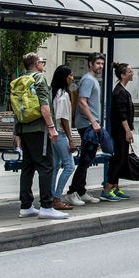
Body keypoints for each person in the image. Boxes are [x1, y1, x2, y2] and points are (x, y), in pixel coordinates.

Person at [15, 53, 67, 219]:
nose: (43, 64)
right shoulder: (39, 79)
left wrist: (17, 133)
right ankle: (46, 206)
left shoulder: (21, 78)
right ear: (37, 64)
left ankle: (26, 206)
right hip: (39, 130)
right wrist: (52, 128)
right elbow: (44, 105)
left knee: (28, 167)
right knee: (47, 166)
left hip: (24, 129)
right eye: (42, 62)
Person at [66, 52, 104, 206]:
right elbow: (82, 102)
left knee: (88, 158)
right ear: (90, 64)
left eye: (102, 64)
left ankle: (81, 190)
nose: (100, 66)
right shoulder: (88, 80)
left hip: (89, 124)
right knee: (86, 159)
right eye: (98, 63)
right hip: (87, 124)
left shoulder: (93, 79)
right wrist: (93, 121)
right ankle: (72, 191)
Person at [103, 62, 135, 202]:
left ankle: (115, 187)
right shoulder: (120, 92)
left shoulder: (122, 90)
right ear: (122, 75)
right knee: (120, 159)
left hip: (121, 129)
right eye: (129, 71)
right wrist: (127, 131)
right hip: (120, 130)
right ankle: (107, 189)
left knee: (120, 158)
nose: (132, 73)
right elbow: (122, 114)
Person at [48, 65, 77, 210]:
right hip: (61, 134)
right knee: (69, 166)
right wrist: (71, 140)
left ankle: (50, 196)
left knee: (55, 166)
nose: (72, 78)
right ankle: (57, 197)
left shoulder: (52, 93)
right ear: (64, 77)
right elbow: (64, 119)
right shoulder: (63, 95)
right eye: (70, 75)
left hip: (52, 134)